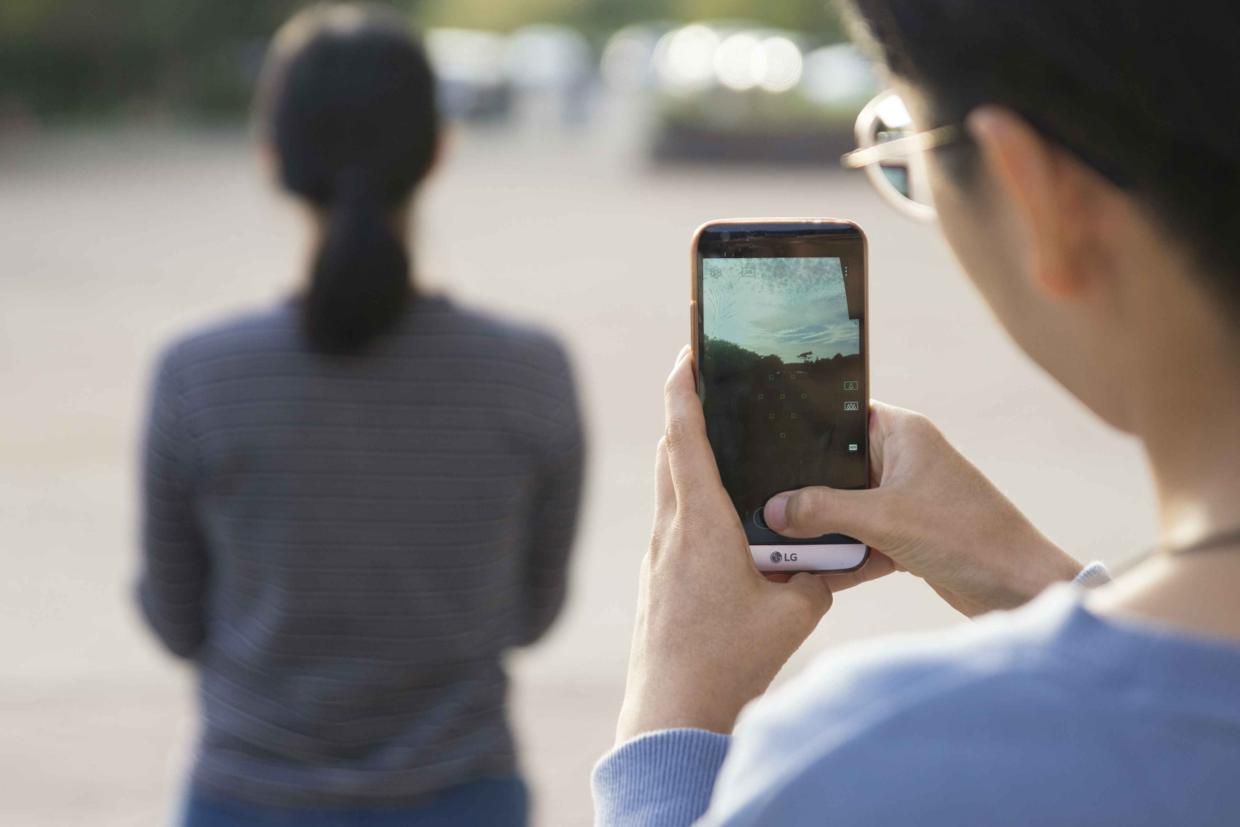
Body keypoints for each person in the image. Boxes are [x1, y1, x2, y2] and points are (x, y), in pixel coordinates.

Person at [594, 2, 1240, 824]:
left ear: (1036, 189)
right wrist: (1037, 585)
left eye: (907, 152)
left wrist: (668, 720)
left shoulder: (870, 757)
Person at [135, 5, 584, 825]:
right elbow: (533, 616)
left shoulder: (197, 375)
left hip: (247, 796)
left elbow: (174, 620)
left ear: (271, 156)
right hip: (465, 794)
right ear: (440, 150)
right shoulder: (529, 372)